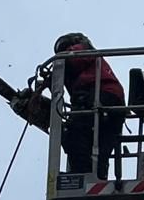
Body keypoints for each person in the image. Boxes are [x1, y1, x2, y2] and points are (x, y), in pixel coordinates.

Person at [52, 32, 125, 179]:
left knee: (75, 131)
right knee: (102, 143)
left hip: (102, 96)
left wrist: (60, 60)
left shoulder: (81, 50)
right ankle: (98, 175)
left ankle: (82, 173)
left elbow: (76, 59)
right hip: (111, 102)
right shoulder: (81, 70)